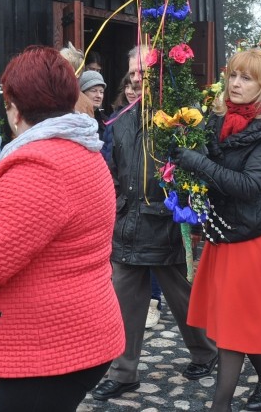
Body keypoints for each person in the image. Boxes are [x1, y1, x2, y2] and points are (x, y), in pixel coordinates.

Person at [0, 46, 124, 412]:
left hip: (53, 345)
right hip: (73, 333)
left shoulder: (41, 167)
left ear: (14, 107)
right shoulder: (79, 148)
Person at [92, 46, 218, 402]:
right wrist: (115, 202)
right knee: (123, 302)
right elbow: (111, 165)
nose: (135, 79)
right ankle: (124, 372)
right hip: (126, 225)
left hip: (165, 225)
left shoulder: (181, 119)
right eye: (132, 72)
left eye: (142, 73)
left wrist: (181, 208)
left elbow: (199, 167)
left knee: (183, 298)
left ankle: (206, 351)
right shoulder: (121, 118)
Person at [171, 48, 261, 411]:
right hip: (225, 230)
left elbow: (249, 185)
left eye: (247, 78)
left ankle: (219, 406)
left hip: (254, 235)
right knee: (236, 318)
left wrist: (198, 162)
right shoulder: (220, 117)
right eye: (234, 75)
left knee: (234, 326)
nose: (236, 84)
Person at [105, 72, 163, 328]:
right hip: (124, 199)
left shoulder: (157, 120)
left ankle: (153, 301)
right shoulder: (117, 118)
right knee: (125, 261)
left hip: (151, 201)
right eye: (128, 85)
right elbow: (112, 156)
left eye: (137, 87)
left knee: (155, 259)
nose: (131, 91)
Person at [59, 42, 95, 116]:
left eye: (65, 67)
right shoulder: (46, 95)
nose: (59, 70)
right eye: (58, 66)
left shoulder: (85, 104)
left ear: (77, 73)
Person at [79, 69, 108, 142]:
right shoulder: (74, 120)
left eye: (101, 92)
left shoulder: (106, 121)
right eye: (93, 91)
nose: (99, 96)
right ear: (82, 93)